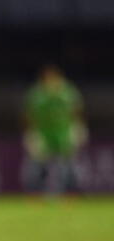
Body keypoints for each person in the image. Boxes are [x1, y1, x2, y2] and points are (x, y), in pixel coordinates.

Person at [22, 64, 86, 194]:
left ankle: (70, 193)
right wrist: (31, 132)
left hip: (64, 133)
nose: (51, 80)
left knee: (67, 165)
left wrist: (78, 127)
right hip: (43, 134)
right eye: (48, 78)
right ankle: (34, 193)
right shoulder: (38, 94)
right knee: (36, 165)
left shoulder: (67, 92)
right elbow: (28, 114)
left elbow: (77, 110)